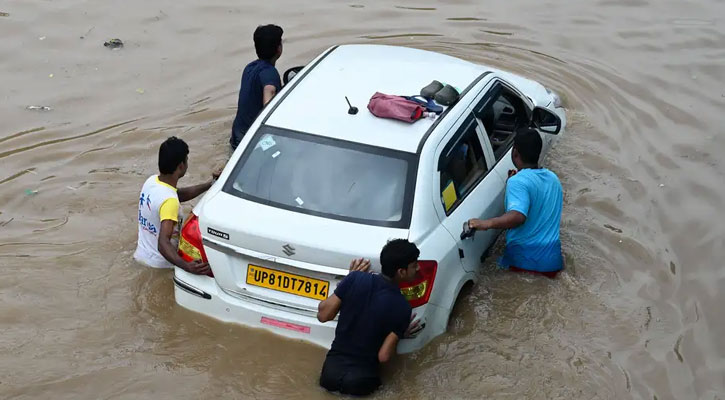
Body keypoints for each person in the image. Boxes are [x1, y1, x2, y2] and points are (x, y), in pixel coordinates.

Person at [317, 239, 422, 396]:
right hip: (361, 380)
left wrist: (347, 282)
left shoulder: (354, 279)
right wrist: (400, 333)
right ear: (401, 272)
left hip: (329, 374)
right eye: (414, 266)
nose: (418, 268)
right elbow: (384, 356)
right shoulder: (402, 307)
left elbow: (323, 315)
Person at [467, 128, 564, 278]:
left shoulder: (517, 182)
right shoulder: (553, 179)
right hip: (553, 261)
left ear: (515, 152)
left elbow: (518, 216)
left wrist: (486, 224)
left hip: (524, 262)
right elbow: (538, 203)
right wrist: (515, 183)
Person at [133, 136, 219, 275]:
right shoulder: (170, 202)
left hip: (141, 257)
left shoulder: (152, 182)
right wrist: (187, 266)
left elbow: (178, 195)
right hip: (161, 267)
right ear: (181, 166)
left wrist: (210, 184)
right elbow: (163, 243)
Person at [230, 24, 284, 149]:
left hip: (237, 137)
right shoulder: (270, 73)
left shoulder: (249, 68)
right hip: (254, 144)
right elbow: (269, 93)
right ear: (278, 49)